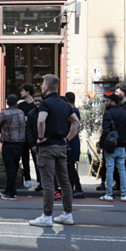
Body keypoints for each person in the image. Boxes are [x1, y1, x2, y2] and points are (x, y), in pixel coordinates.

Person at [28, 74, 75, 227]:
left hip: (47, 147)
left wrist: (40, 137)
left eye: (42, 83)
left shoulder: (45, 103)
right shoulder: (65, 104)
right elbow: (76, 122)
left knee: (48, 182)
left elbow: (41, 120)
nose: (41, 86)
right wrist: (67, 138)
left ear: (46, 87)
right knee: (65, 181)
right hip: (62, 146)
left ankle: (47, 216)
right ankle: (67, 214)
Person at [100, 92, 126, 201]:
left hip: (110, 146)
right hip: (122, 145)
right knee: (122, 169)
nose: (106, 103)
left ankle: (109, 194)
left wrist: (101, 144)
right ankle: (124, 194)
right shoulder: (125, 113)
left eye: (108, 101)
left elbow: (105, 131)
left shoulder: (108, 114)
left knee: (110, 169)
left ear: (113, 102)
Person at [0, 95, 26, 201]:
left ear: (7, 102)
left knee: (9, 168)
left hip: (9, 142)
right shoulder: (21, 113)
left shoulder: (4, 113)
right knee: (15, 166)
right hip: (20, 143)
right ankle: (8, 189)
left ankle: (12, 192)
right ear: (16, 103)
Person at [17, 84, 38, 189]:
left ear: (28, 92)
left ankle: (39, 180)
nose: (21, 93)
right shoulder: (20, 106)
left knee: (36, 158)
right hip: (24, 134)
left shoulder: (35, 105)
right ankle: (28, 179)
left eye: (22, 91)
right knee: (24, 157)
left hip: (34, 134)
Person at [64, 92, 85, 199]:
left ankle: (78, 188)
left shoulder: (73, 111)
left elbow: (75, 127)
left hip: (72, 142)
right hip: (72, 141)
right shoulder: (73, 110)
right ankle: (72, 188)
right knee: (69, 167)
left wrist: (67, 139)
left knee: (70, 167)